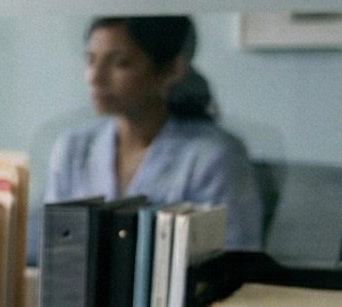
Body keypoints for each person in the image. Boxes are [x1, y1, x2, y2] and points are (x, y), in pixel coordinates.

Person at [41, 16, 262, 252]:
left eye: (120, 63)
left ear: (172, 69)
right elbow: (55, 247)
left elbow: (235, 256)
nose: (95, 77)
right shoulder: (72, 148)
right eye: (91, 60)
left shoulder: (215, 156)